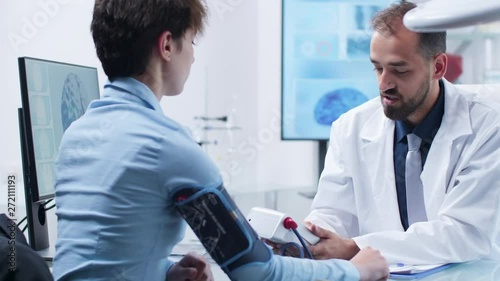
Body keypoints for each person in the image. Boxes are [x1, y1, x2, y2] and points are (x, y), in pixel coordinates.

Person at [52, 0, 389, 280]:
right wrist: (354, 271)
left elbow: (99, 257)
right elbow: (256, 271)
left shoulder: (76, 135)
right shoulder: (167, 145)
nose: (194, 56)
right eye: (192, 42)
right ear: (168, 45)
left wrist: (165, 272)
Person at [302, 0, 500, 265]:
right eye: (377, 67)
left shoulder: (488, 124)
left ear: (438, 68)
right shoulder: (350, 127)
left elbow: (463, 233)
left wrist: (353, 248)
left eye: (399, 70)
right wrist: (310, 236)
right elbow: (334, 212)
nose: (384, 83)